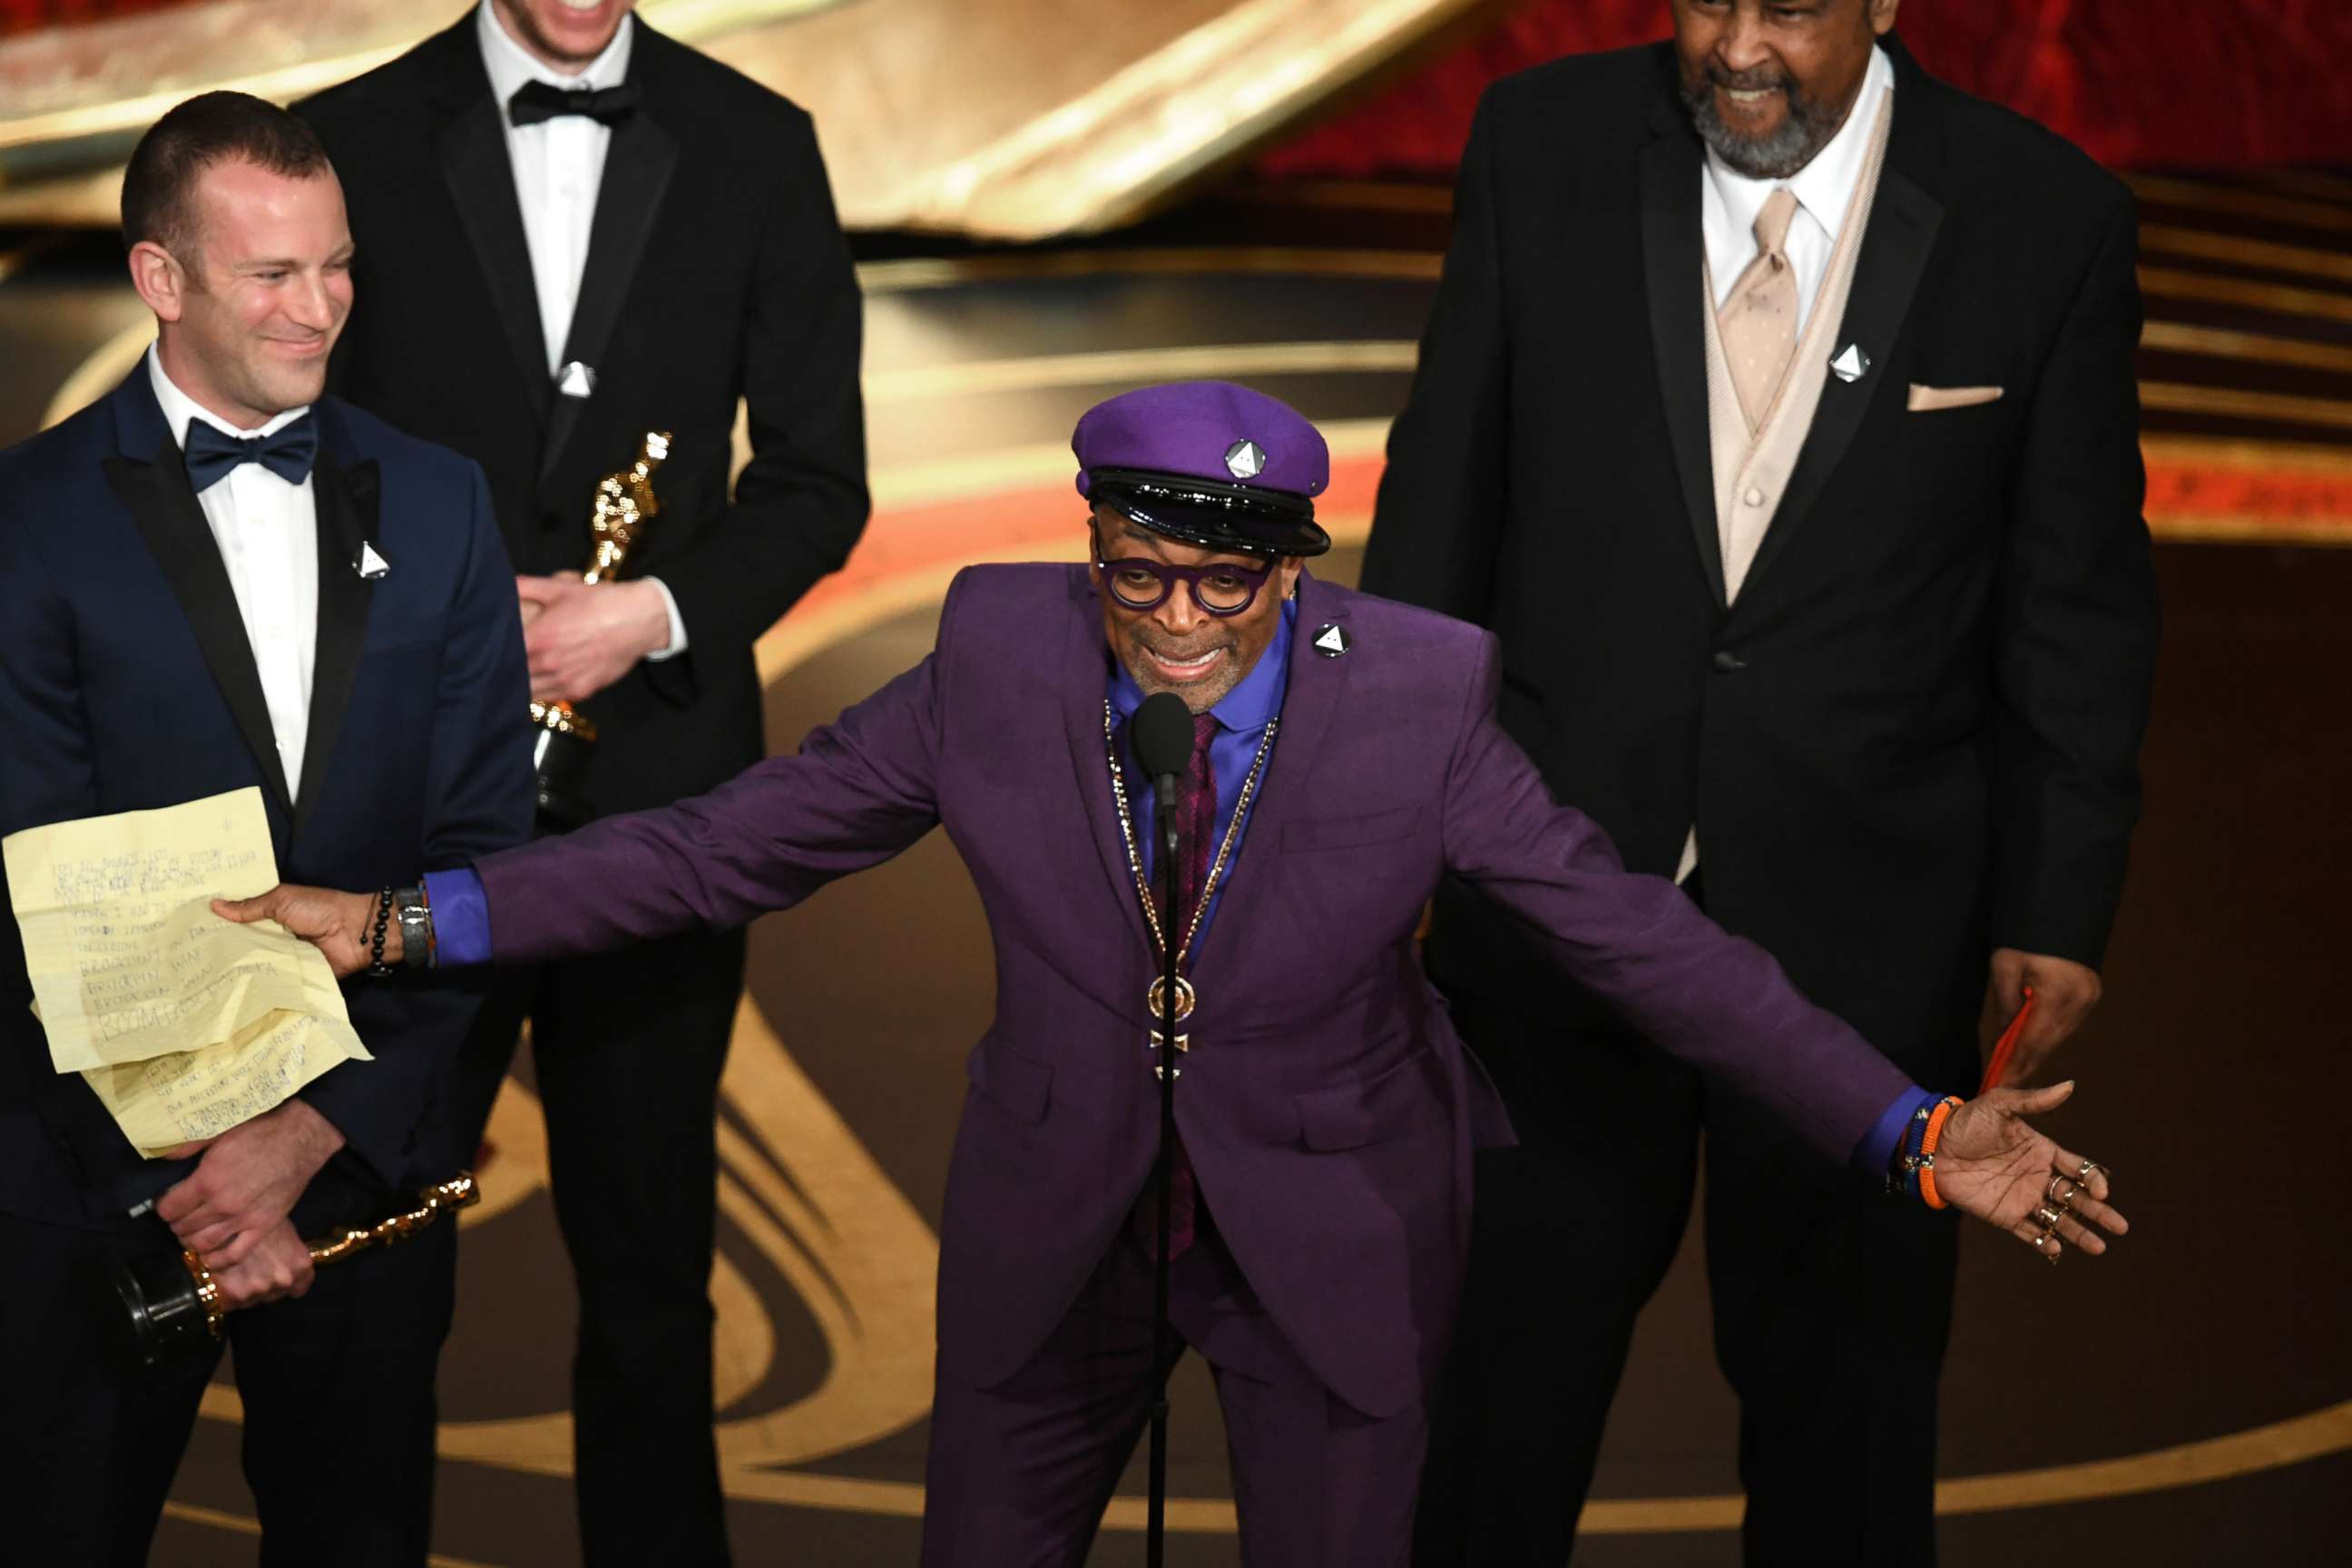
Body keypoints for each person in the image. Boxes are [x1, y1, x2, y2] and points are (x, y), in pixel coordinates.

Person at [223, 380, 2127, 1567]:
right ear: (1093, 549)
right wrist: (401, 922)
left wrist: (1902, 1125)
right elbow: (723, 848)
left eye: (1238, 584)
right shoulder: (1000, 660)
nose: (1191, 625)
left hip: (1338, 1225)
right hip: (1062, 1215)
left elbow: (1642, 938)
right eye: (1147, 577)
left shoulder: (1427, 705)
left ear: (1297, 568)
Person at [1361, 1, 2161, 1561]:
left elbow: (2074, 601)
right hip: (1548, 910)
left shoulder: (2045, 216)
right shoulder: (1540, 147)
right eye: (1706, 0)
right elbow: (1437, 507)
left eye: (1787, 8)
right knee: (1487, 1428)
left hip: (1869, 945)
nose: (1736, 47)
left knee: (1846, 1441)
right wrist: (1382, 830)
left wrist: (2061, 903)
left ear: (1883, 1)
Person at [294, 3, 868, 1556]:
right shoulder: (344, 135)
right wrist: (460, 615)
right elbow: (284, 441)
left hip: (663, 799)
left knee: (651, 1271)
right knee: (362, 1260)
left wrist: (648, 615)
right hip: (398, 788)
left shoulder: (759, 143)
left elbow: (819, 480)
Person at [0, 93, 533, 1565]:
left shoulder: (444, 503)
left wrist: (316, 1131)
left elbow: (491, 852)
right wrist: (210, 1168)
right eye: (273, 275)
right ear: (160, 279)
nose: (321, 310)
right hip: (96, 1179)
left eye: (339, 266)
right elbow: (28, 871)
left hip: (365, 1165)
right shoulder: (25, 518)